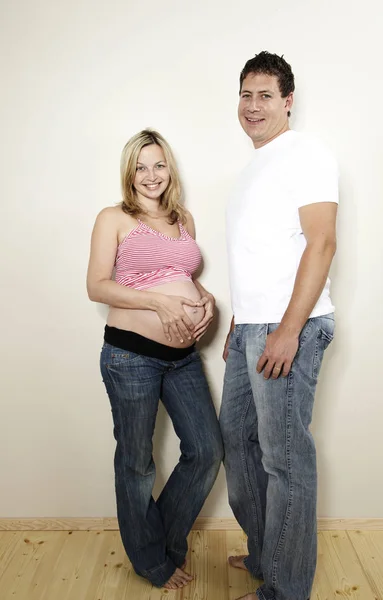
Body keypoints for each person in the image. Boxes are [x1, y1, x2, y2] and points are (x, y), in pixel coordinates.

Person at [220, 52, 338, 600]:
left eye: (265, 95)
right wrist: (240, 321)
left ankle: (286, 590)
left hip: (291, 327)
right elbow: (261, 253)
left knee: (284, 461)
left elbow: (322, 242)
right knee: (239, 446)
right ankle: (270, 554)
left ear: (287, 101)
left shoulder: (305, 152)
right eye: (246, 95)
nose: (253, 105)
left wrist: (287, 330)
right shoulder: (253, 165)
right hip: (252, 327)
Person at [86, 129, 223, 590]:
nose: (150, 175)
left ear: (170, 169)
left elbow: (181, 275)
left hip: (183, 358)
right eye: (141, 166)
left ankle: (157, 542)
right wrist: (159, 304)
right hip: (130, 358)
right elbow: (97, 287)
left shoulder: (183, 218)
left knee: (206, 451)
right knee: (137, 463)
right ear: (130, 172)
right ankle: (152, 560)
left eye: (158, 165)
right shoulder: (114, 218)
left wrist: (207, 302)